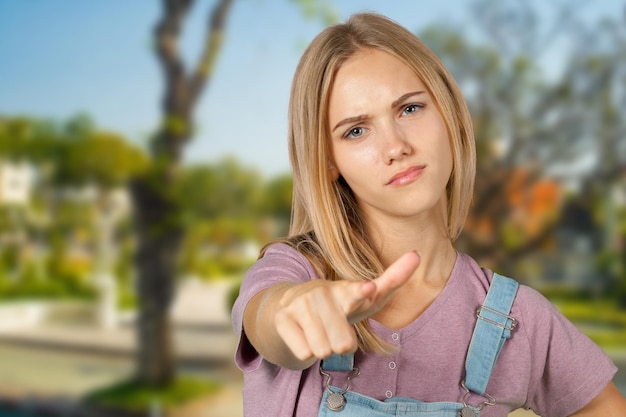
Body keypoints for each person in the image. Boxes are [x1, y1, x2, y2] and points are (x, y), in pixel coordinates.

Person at [231, 12, 626, 417]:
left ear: (449, 113)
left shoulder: (517, 319)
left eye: (410, 109)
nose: (396, 145)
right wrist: (294, 311)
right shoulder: (290, 271)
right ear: (327, 160)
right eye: (356, 130)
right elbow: (269, 319)